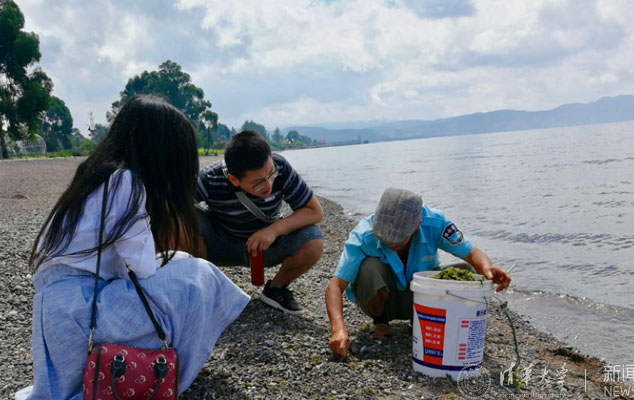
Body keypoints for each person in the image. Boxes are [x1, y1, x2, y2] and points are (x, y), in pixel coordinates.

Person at [23, 95, 249, 399]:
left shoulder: (97, 176)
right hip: (82, 312)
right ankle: (167, 374)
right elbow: (142, 269)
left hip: (61, 316)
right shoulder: (126, 183)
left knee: (178, 265)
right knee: (197, 275)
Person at [325, 187, 511, 357]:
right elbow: (335, 286)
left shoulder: (436, 223)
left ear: (417, 225)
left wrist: (487, 269)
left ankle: (424, 322)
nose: (390, 243)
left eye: (398, 239)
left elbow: (472, 254)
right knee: (369, 268)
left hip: (423, 299)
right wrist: (338, 329)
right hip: (382, 301)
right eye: (385, 236)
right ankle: (380, 322)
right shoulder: (363, 235)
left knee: (466, 272)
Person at [194, 130, 324, 314]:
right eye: (258, 183)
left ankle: (276, 289)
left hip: (265, 247)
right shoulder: (209, 178)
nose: (268, 184)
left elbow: (315, 212)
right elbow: (173, 210)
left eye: (271, 174)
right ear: (233, 179)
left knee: (313, 240)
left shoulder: (280, 167)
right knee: (184, 220)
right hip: (220, 243)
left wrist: (274, 230)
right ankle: (200, 288)